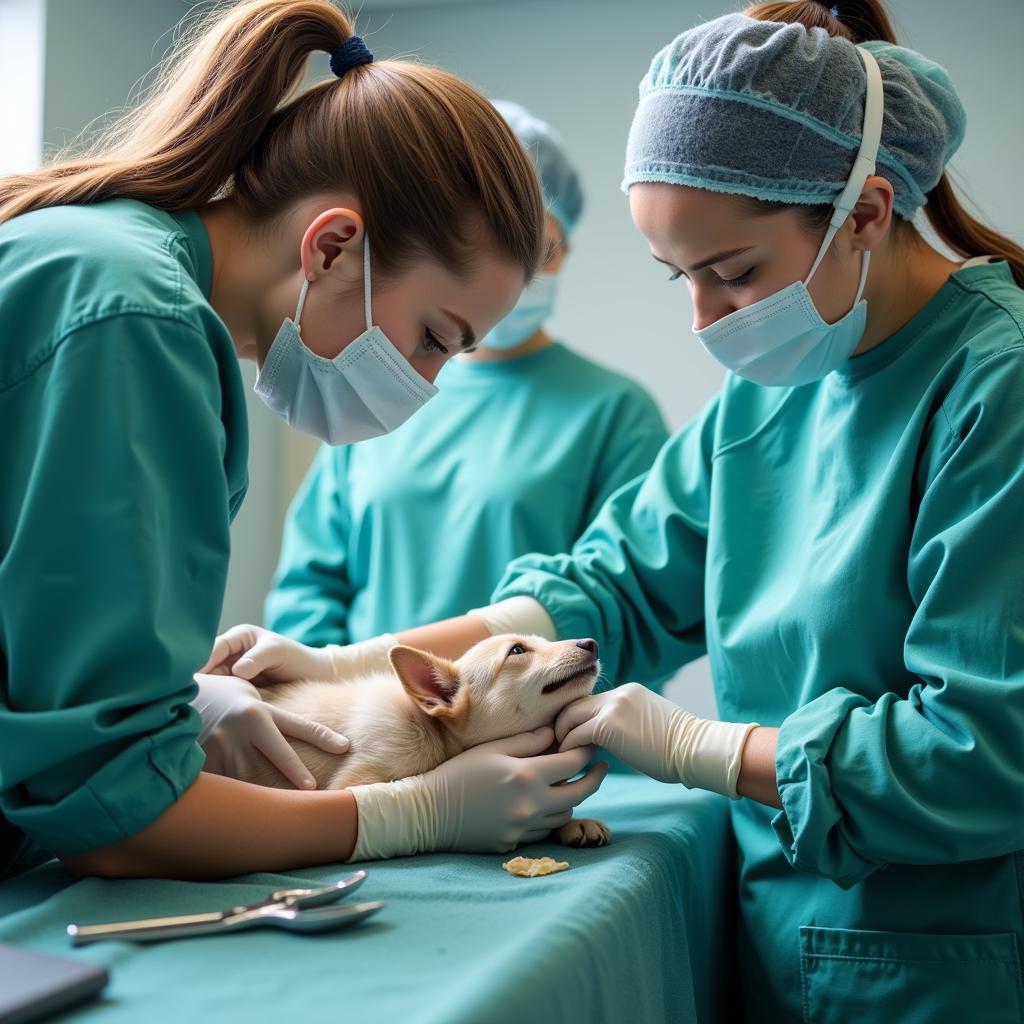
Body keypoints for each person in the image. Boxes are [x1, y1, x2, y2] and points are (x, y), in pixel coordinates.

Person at [210, 2, 1024, 1017]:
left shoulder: (996, 390)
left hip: (948, 961)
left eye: (730, 273)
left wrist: (706, 750)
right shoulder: (771, 390)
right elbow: (613, 585)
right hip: (784, 931)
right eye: (677, 276)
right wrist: (352, 665)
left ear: (865, 211)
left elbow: (989, 750)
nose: (700, 318)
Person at [0, 0, 607, 882]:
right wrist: (408, 812)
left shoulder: (103, 262)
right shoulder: (138, 323)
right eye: (436, 338)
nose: (428, 384)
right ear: (332, 248)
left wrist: (173, 702)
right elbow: (113, 815)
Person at [261, 100, 667, 669]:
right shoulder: (376, 386)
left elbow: (633, 610)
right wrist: (338, 697)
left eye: (537, 249)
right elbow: (310, 586)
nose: (513, 270)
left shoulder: (614, 414)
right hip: (367, 732)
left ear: (565, 249)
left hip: (538, 743)